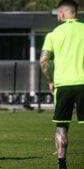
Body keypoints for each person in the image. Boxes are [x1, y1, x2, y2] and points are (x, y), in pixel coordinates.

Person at [40, 0, 84, 169]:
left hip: (63, 85)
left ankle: (62, 164)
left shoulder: (53, 34)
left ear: (62, 14)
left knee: (61, 126)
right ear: (76, 13)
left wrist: (50, 80)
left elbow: (43, 61)